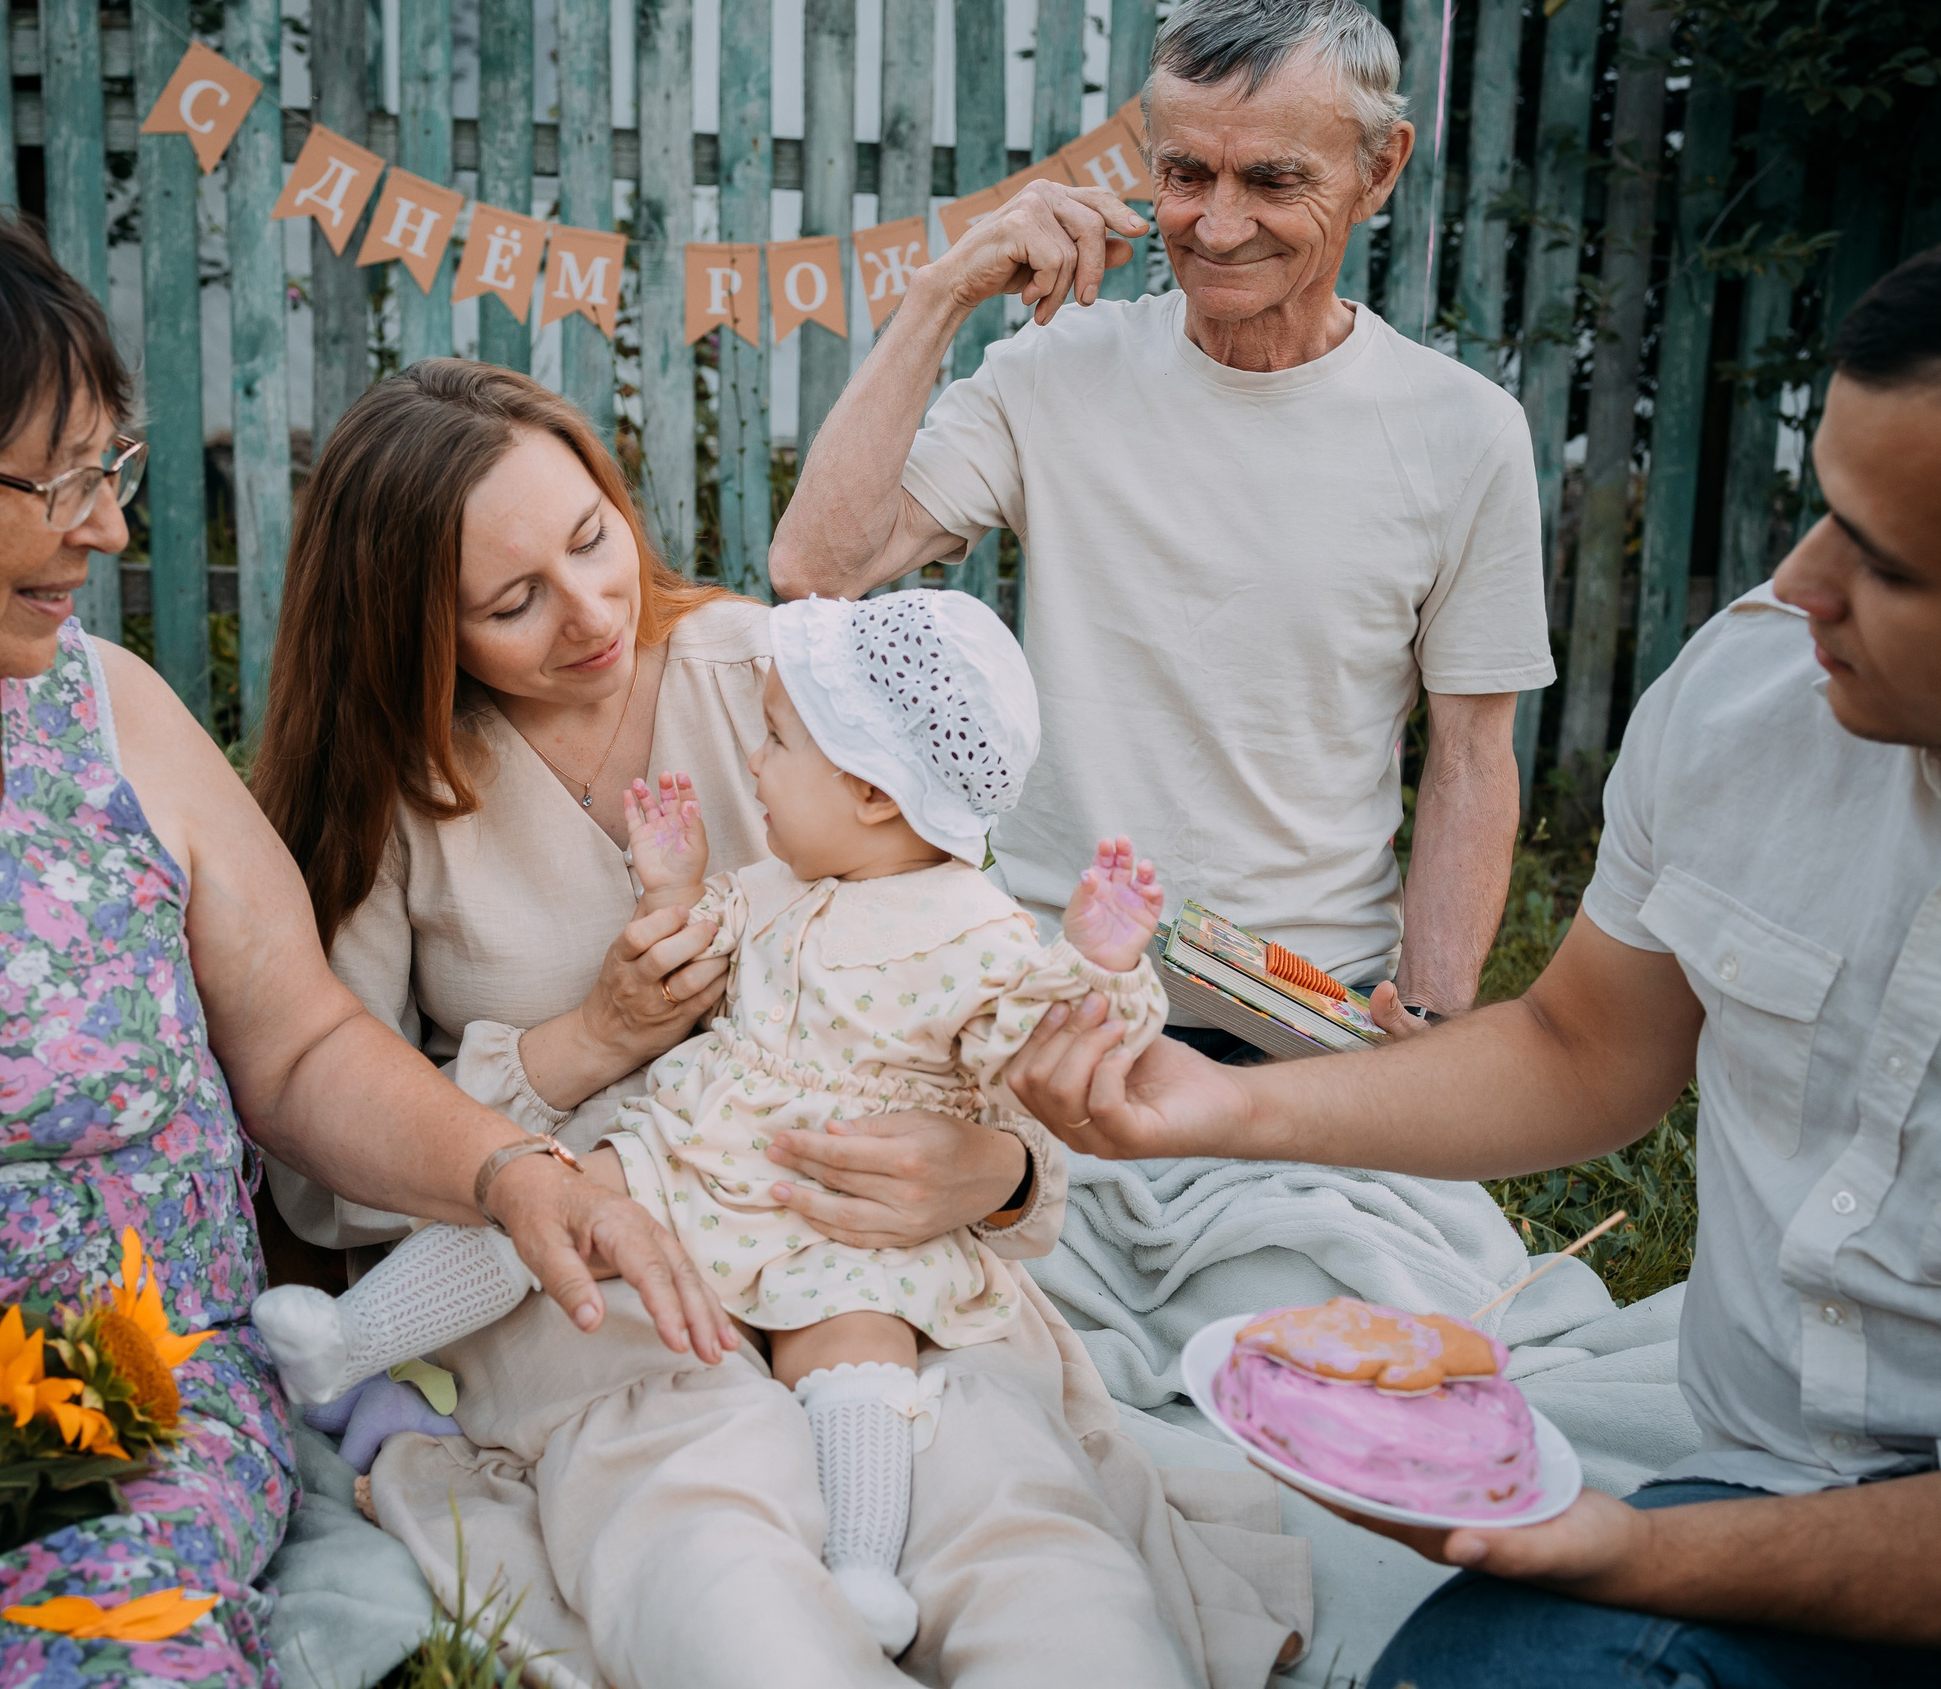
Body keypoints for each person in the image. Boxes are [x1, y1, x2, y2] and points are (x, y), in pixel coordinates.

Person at [0, 199, 734, 1689]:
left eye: (104, 469)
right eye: (59, 480)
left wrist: (510, 1172)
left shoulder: (110, 717)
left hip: (103, 1437)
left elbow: (304, 1048)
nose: (109, 525)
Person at [1000, 187, 1941, 1683]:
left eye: (1891, 565)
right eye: (1822, 511)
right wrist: (1231, 1103)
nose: (1801, 591)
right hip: (1751, 1473)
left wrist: (1636, 1551)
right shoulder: (1750, 701)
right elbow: (1583, 1044)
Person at [249, 364, 1309, 1688]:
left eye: (594, 540)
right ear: (411, 628)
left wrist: (1001, 1174)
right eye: (511, 602)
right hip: (602, 1263)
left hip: (872, 1258)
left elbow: (984, 979)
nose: (590, 613)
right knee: (710, 1537)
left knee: (1008, 1511)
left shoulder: (790, 681)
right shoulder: (395, 794)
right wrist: (587, 1038)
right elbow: (320, 1159)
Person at [257, 588, 1173, 1656]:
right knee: (551, 1202)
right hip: (692, 1150)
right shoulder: (783, 881)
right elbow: (694, 943)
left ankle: (865, 1566)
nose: (753, 763)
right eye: (512, 597)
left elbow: (1030, 1050)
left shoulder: (973, 929)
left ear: (874, 792)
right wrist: (671, 886)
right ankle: (347, 1343)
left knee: (856, 1350)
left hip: (835, 1207)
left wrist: (1095, 967)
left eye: (776, 744)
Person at [770, 0, 1548, 1034]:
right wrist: (940, 294)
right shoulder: (1054, 369)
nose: (1218, 227)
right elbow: (817, 569)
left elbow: (1468, 754)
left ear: (1380, 169)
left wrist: (1428, 1015)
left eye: (1273, 180)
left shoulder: (1465, 434)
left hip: (1303, 1004)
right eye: (1185, 174)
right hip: (1043, 982)